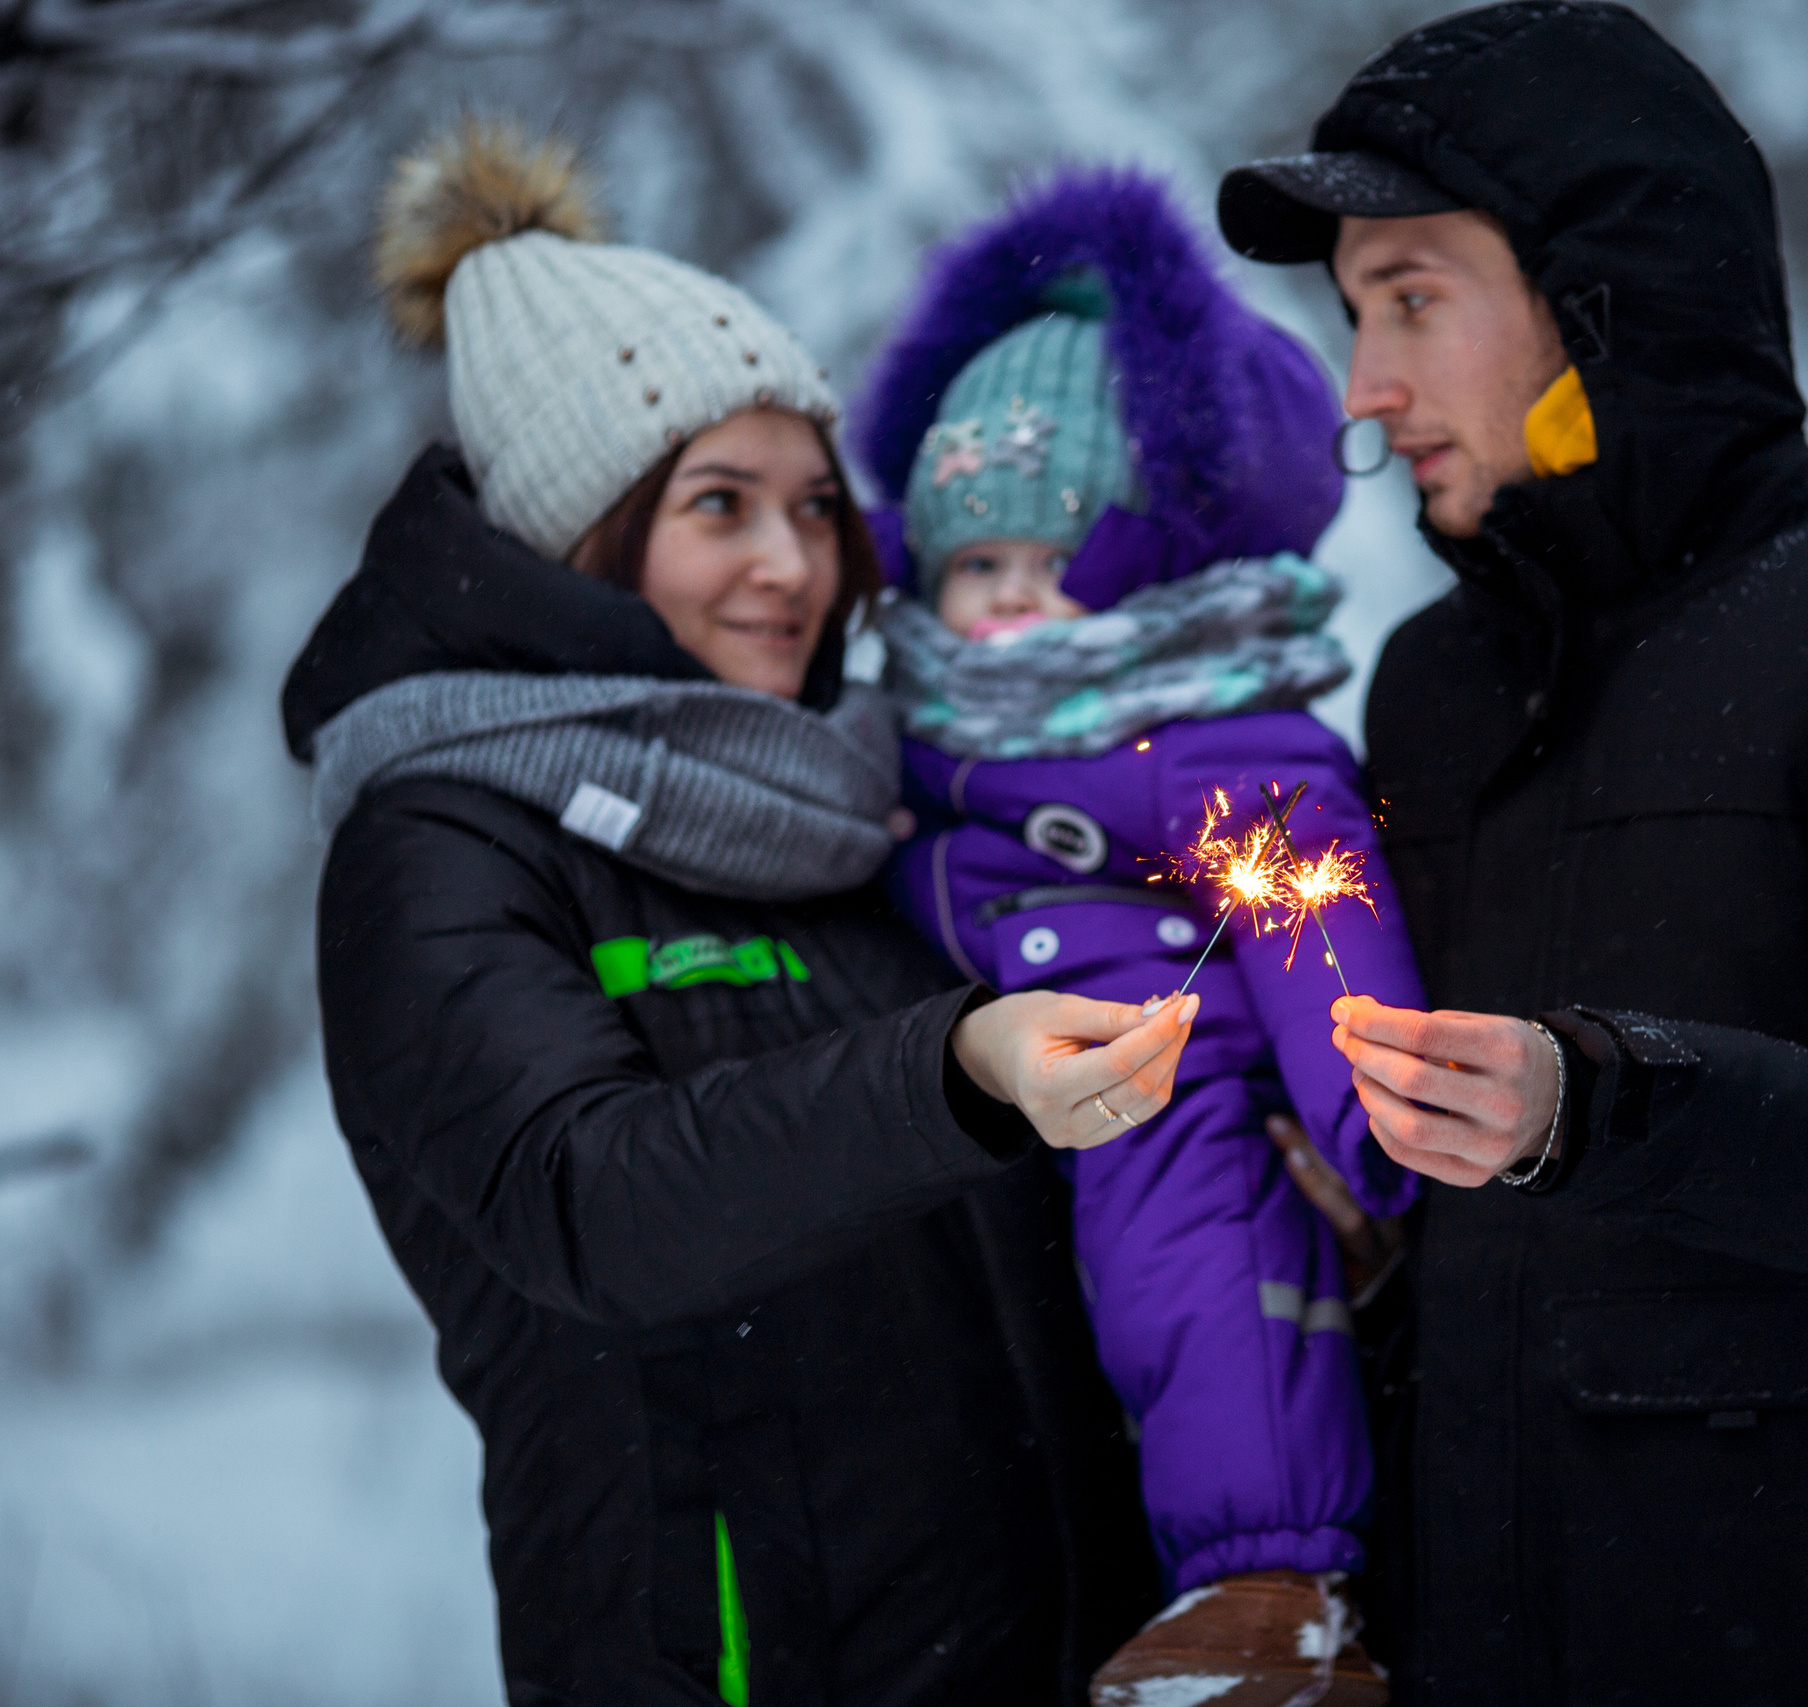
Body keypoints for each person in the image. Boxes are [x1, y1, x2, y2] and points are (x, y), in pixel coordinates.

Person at [1217, 5, 1808, 1702]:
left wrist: (1591, 1102)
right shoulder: (1432, 690)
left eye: (1412, 299)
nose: (1365, 392)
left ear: (1602, 298)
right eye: (1350, 316)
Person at [283, 120, 1193, 1705]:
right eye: (720, 505)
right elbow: (594, 1204)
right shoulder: (441, 842)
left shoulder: (861, 800)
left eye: (816, 506)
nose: (791, 564)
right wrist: (953, 1073)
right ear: (584, 532)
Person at [853, 168, 1423, 1706]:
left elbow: (1308, 911)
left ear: (1149, 567)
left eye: (1048, 565)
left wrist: (1376, 1117)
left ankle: (1271, 1584)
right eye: (974, 568)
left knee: (1206, 1278)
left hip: (1186, 1085)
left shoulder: (1196, 741)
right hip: (1041, 1105)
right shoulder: (933, 743)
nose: (1004, 611)